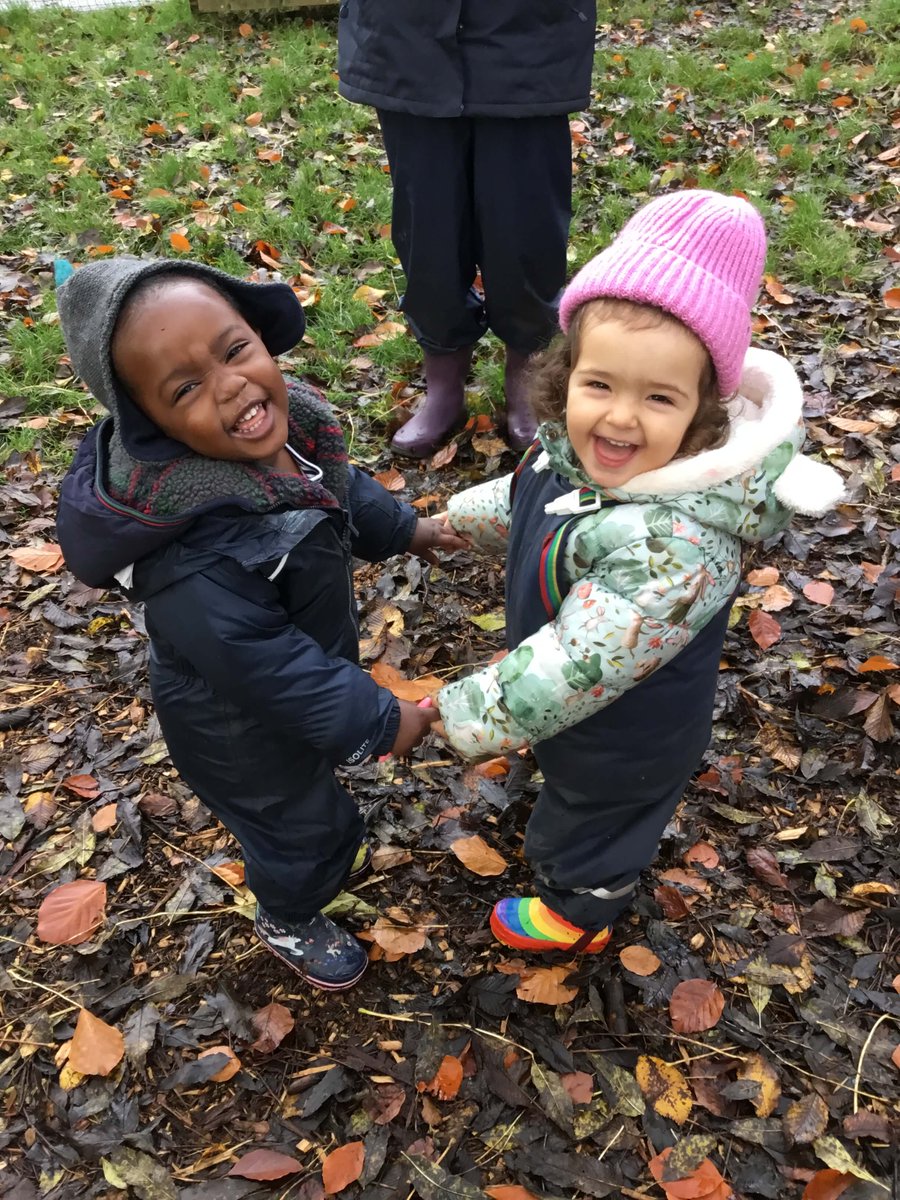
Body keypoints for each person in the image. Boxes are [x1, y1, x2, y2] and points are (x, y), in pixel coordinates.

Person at [434, 190, 845, 955]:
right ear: (568, 373)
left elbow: (576, 664)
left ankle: (580, 911)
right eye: (601, 385)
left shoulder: (680, 546)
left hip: (627, 734)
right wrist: (449, 525)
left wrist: (448, 712)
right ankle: (557, 782)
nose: (620, 417)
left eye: (658, 398)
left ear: (701, 413)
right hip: (578, 712)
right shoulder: (577, 451)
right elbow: (532, 495)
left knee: (597, 817)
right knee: (568, 769)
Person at [54, 258, 467, 991]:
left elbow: (337, 491)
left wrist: (407, 528)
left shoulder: (289, 433)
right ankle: (288, 913)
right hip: (237, 729)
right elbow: (261, 664)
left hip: (292, 691)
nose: (233, 386)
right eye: (186, 388)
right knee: (303, 831)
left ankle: (309, 838)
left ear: (257, 331)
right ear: (152, 425)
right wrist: (376, 718)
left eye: (234, 349)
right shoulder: (191, 553)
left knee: (309, 799)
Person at [337, 2, 597, 458]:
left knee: (525, 229)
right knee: (429, 229)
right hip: (407, 36)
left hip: (527, 38)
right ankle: (443, 380)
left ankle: (528, 371)